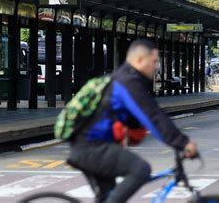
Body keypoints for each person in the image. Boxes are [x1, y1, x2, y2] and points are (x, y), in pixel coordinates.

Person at [67, 39, 198, 203]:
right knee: (140, 169)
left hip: (88, 146)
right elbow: (153, 116)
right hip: (90, 148)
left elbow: (139, 118)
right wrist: (182, 142)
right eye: (154, 61)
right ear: (139, 60)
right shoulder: (127, 83)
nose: (156, 66)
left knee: (107, 196)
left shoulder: (123, 79)